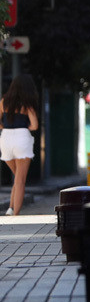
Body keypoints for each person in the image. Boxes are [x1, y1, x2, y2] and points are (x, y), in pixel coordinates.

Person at [0, 75, 39, 216]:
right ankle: (16, 215)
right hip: (22, 137)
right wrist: (25, 127)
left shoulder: (3, 101)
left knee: (17, 177)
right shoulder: (26, 104)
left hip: (5, 138)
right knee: (21, 180)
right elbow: (34, 125)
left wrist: (6, 126)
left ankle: (10, 208)